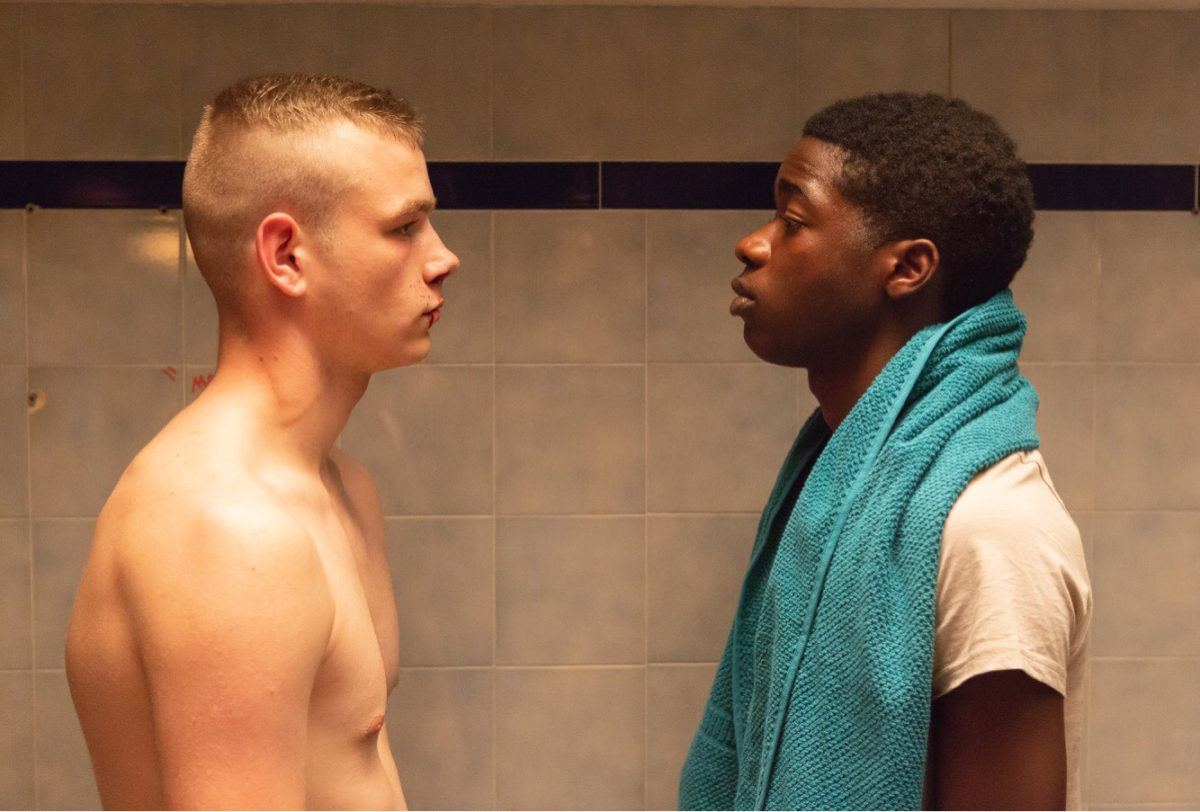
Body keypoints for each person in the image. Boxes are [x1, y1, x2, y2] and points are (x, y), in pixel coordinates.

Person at [679, 93, 1091, 810]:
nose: (753, 244)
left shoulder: (994, 531)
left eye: (793, 221)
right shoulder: (837, 479)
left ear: (907, 268)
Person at [65, 74, 457, 809]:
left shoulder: (343, 488)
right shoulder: (229, 530)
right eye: (405, 227)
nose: (443, 259)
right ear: (286, 256)